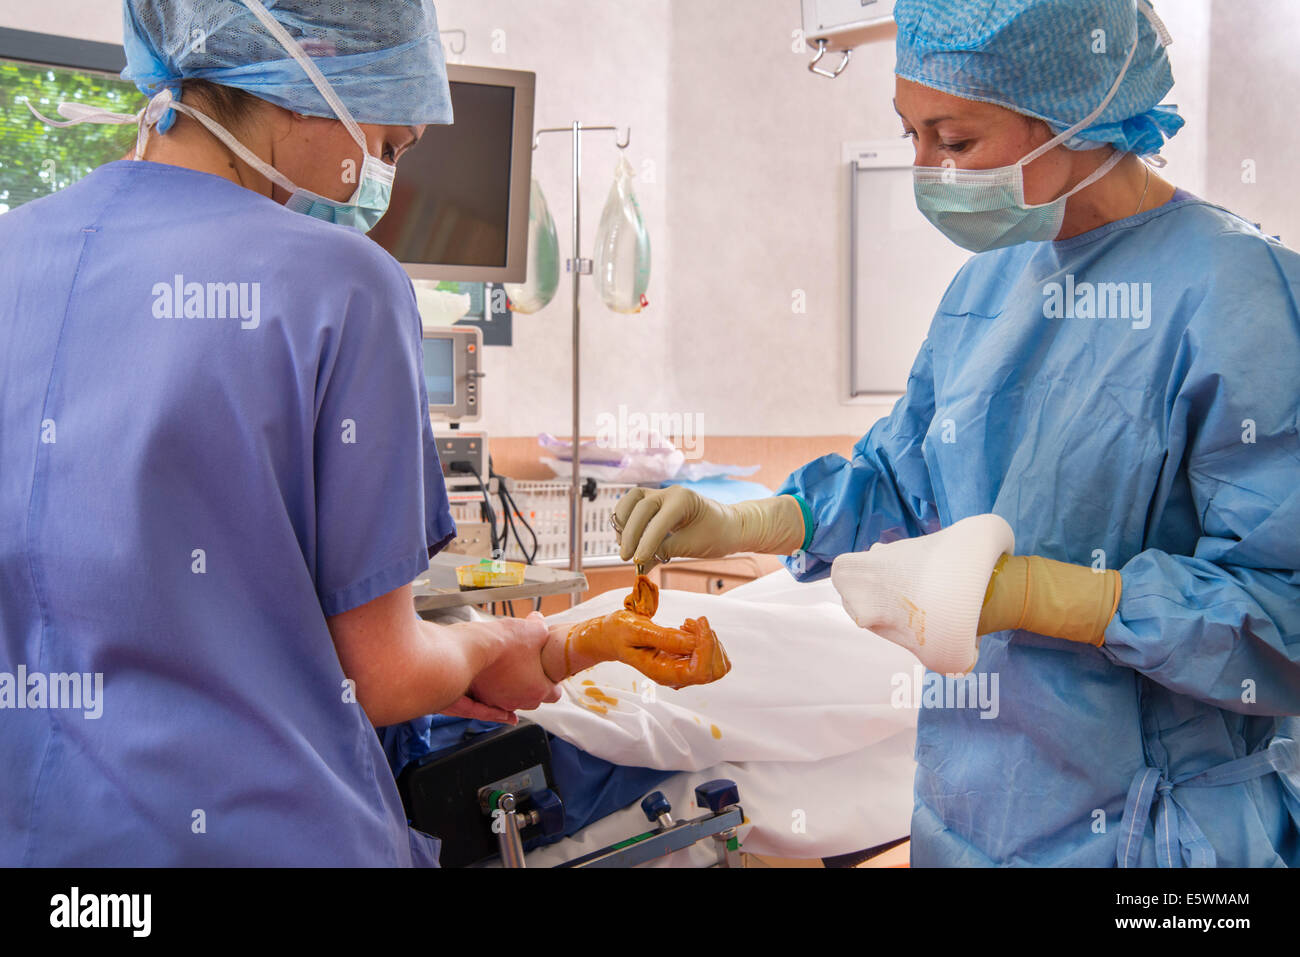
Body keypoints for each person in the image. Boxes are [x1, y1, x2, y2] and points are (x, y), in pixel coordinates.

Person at [615, 0, 1300, 867]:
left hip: (1164, 844)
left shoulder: (1240, 296)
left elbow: (1283, 610)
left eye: (955, 140)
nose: (926, 171)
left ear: (1075, 114)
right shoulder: (988, 291)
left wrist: (1055, 597)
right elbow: (902, 483)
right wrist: (753, 522)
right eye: (910, 136)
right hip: (970, 822)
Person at [0, 0, 569, 866]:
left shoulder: (16, 254)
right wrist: (490, 642)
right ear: (308, 76)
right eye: (384, 149)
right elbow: (382, 674)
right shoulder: (343, 284)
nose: (376, 188)